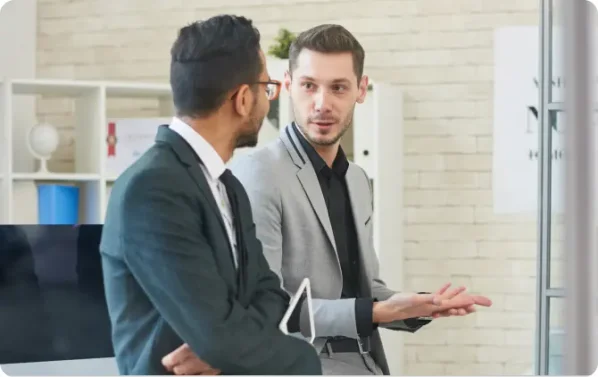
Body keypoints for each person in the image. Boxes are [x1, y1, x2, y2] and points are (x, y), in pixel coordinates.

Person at [161, 24, 493, 375]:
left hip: (367, 365)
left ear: (360, 90)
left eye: (338, 88)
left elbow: (367, 288)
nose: (322, 104)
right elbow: (263, 307)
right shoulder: (259, 173)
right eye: (309, 86)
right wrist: (376, 313)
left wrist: (421, 306)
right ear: (287, 85)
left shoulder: (357, 180)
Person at [98, 15, 323, 375]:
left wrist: (224, 348)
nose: (268, 102)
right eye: (267, 88)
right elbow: (219, 335)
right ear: (243, 99)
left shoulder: (227, 186)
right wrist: (232, 347)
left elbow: (271, 294)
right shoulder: (153, 189)